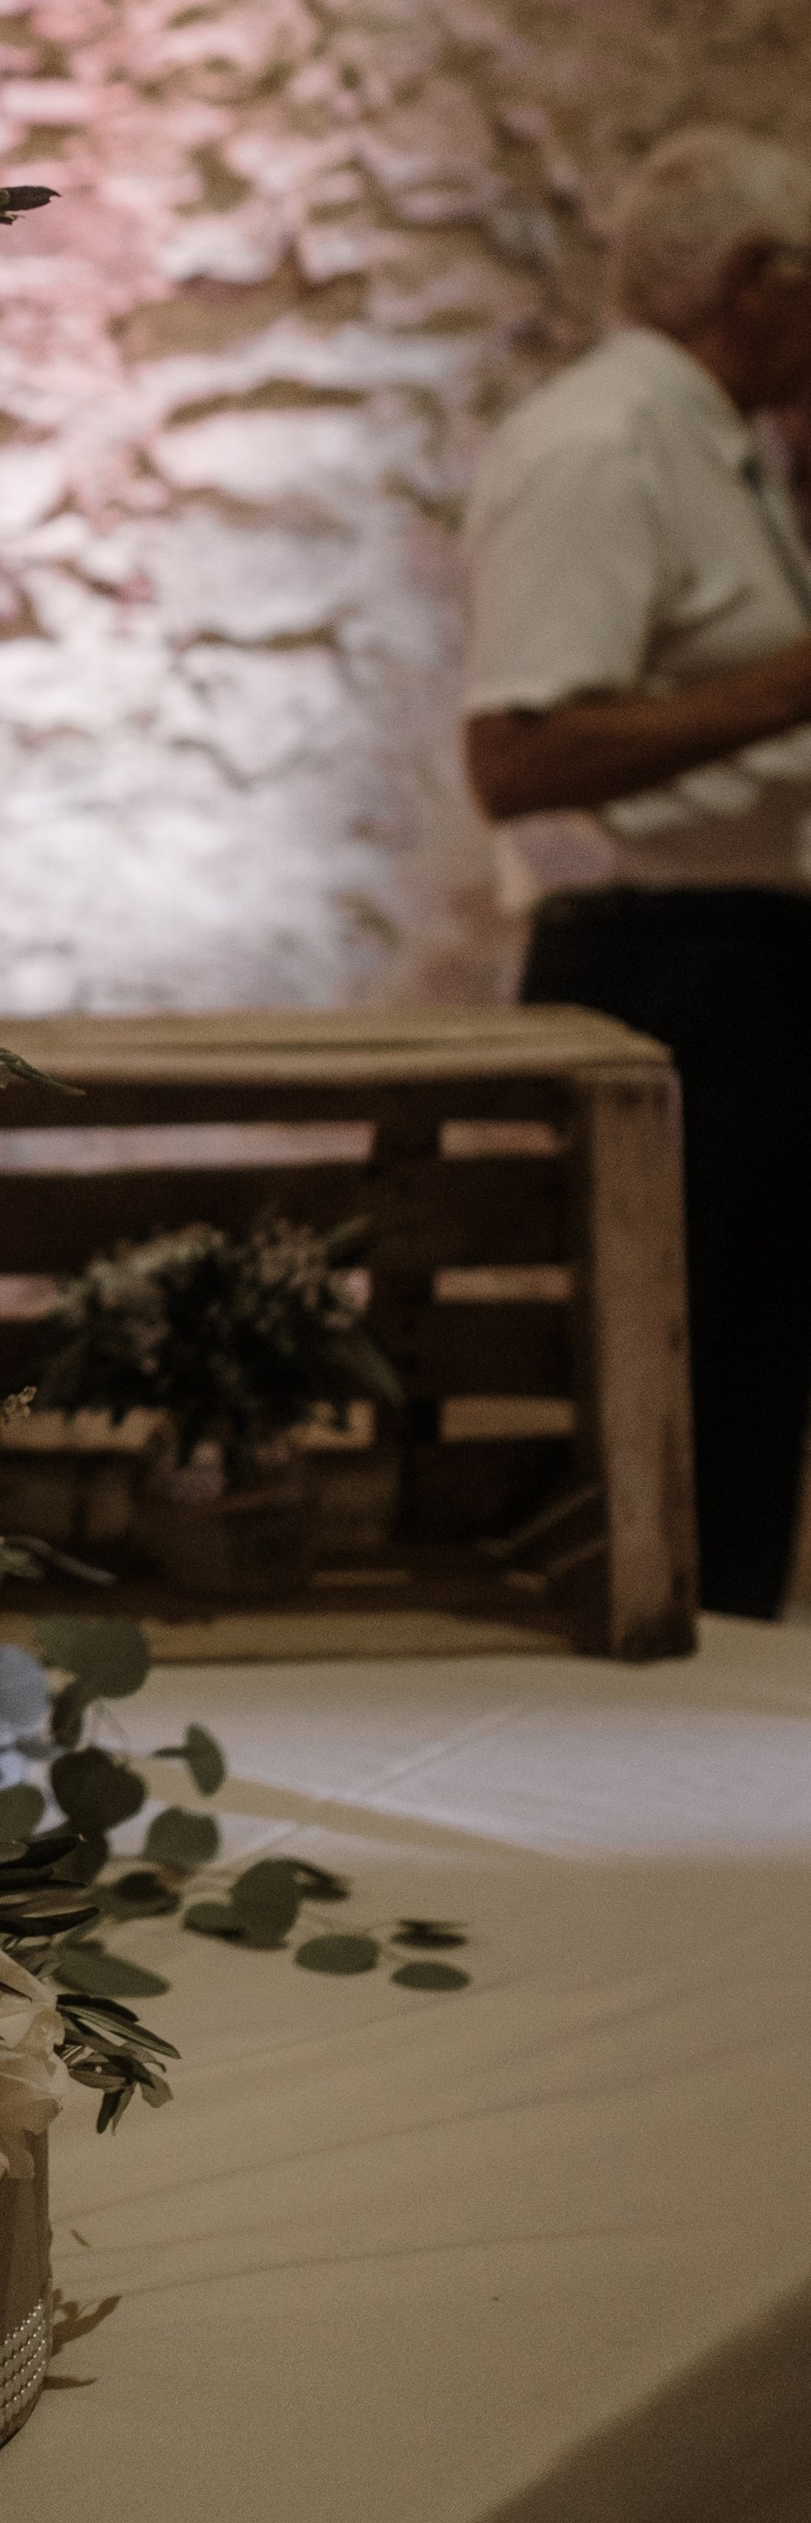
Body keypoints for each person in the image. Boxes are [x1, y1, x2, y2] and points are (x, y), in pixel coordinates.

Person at [461, 125, 811, 1620]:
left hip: (740, 961)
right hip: (662, 972)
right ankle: (675, 1742)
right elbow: (520, 755)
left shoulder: (716, 442)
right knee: (680, 1395)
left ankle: (727, 1725)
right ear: (756, 280)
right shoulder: (605, 442)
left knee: (745, 1385)